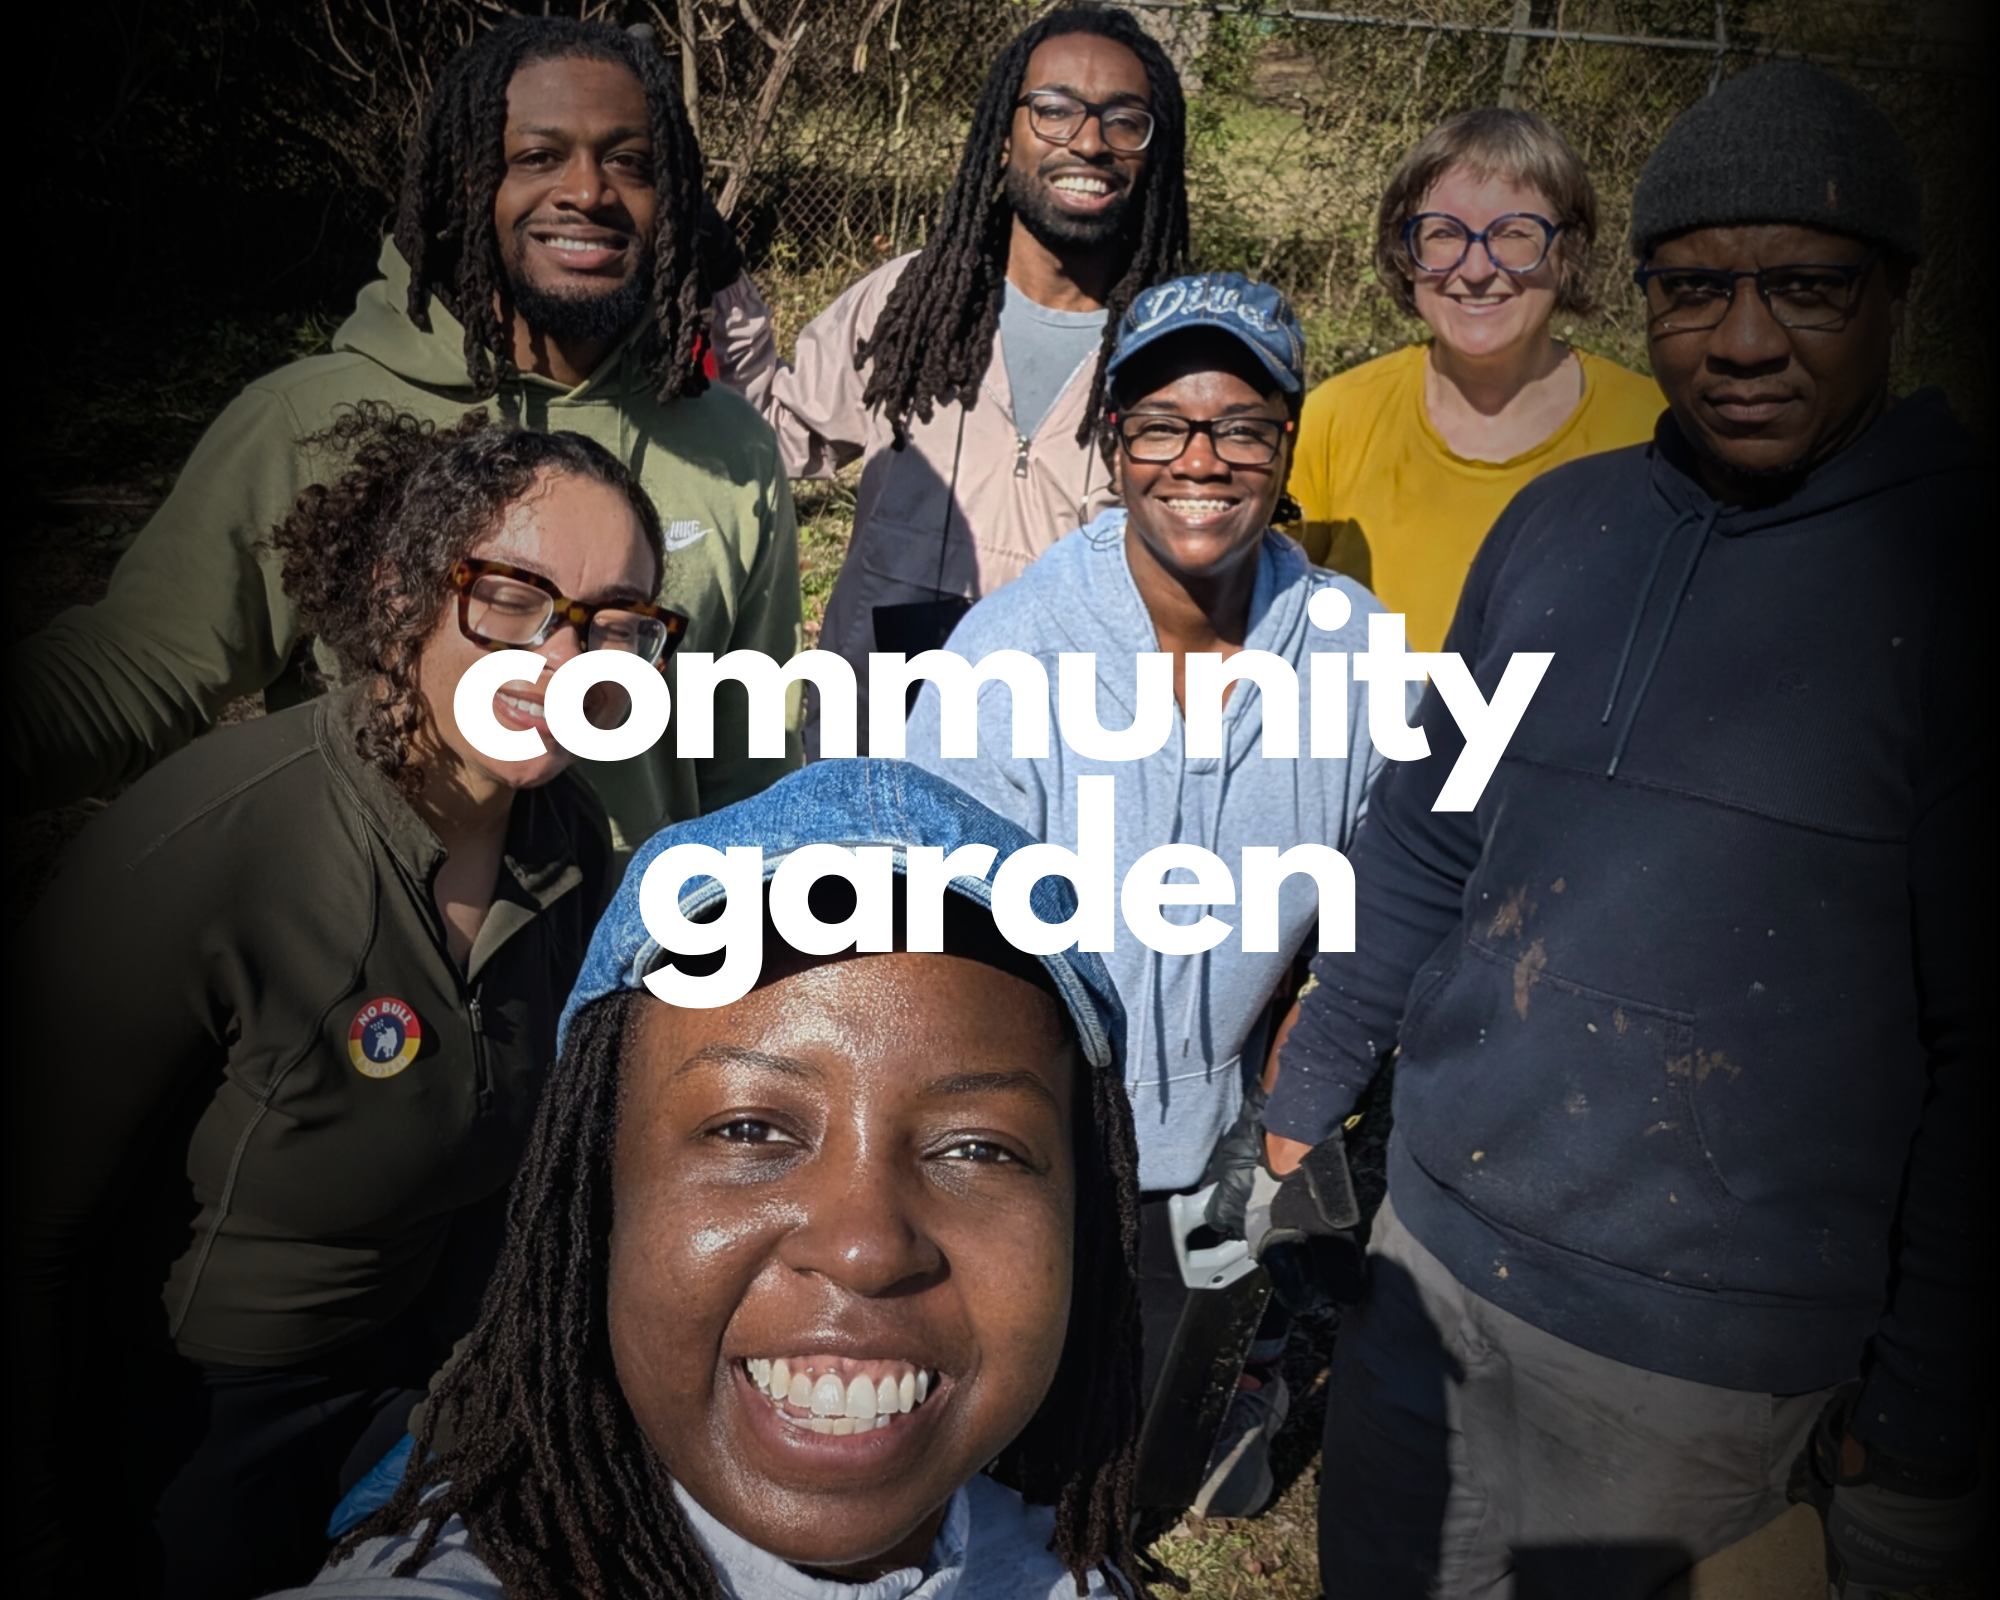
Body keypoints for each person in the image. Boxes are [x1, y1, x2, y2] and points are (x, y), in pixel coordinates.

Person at [1263, 64, 1986, 1597]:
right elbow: (1427, 829)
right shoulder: (1565, 527)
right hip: (1434, 1260)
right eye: (1696, 289)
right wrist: (1321, 1067)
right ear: (1644, 294)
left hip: (1710, 1358)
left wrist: (1917, 1425)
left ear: (1899, 296)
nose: (1741, 340)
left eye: (1806, 289)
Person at [6, 410, 674, 1599]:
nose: (564, 664)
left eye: (616, 625)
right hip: (178, 1433)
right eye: (512, 598)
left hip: (424, 1399)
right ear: (399, 590)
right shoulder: (212, 845)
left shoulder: (568, 848)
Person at [267, 758, 1152, 1599]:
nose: (865, 1247)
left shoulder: (1067, 1565)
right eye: (748, 1130)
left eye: (977, 1148)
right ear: (595, 1199)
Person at [5, 15, 799, 846]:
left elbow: (748, 756)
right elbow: (142, 665)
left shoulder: (729, 448)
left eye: (629, 162)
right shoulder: (304, 423)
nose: (587, 191)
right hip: (373, 953)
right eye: (536, 156)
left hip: (626, 960)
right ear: (466, 183)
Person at [904, 272, 1391, 1518]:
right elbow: (934, 932)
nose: (1201, 459)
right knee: (992, 1459)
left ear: (1284, 447)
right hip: (1034, 1143)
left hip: (1217, 1141)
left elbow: (1402, 881)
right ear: (1112, 442)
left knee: (1138, 1478)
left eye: (1240, 425)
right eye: (1162, 424)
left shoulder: (1350, 648)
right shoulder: (1008, 656)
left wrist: (1311, 1028)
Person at [717, 6, 1189, 747]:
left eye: (1125, 120)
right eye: (1056, 110)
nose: (1090, 141)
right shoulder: (908, 307)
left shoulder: (1174, 351)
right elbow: (769, 437)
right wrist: (720, 285)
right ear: (1005, 135)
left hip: (1061, 767)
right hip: (868, 750)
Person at [1290, 107, 1663, 651]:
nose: (1476, 268)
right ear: (1407, 255)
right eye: (1443, 234)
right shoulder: (1335, 420)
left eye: (1514, 234)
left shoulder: (1652, 431)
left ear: (1568, 252)